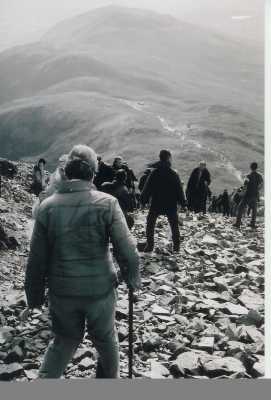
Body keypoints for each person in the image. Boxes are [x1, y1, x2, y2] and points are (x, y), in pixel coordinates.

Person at [24, 144, 141, 379]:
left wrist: (34, 298)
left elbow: (36, 260)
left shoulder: (47, 208)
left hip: (62, 291)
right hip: (99, 290)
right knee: (106, 339)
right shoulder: (107, 203)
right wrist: (131, 276)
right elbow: (128, 250)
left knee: (64, 341)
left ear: (65, 173)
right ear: (93, 174)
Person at [140, 149, 186, 253]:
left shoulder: (154, 173)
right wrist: (183, 203)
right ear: (169, 158)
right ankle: (176, 248)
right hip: (171, 204)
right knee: (174, 225)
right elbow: (179, 189)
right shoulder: (173, 173)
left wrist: (143, 201)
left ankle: (150, 246)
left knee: (150, 223)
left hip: (156, 203)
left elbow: (147, 189)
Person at [233, 162, 263, 229]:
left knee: (240, 208)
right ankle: (253, 224)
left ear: (250, 167)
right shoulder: (259, 176)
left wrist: (241, 192)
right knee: (254, 210)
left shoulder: (248, 176)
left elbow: (245, 186)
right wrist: (257, 190)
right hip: (255, 195)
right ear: (256, 167)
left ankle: (238, 223)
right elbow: (261, 185)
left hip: (248, 195)